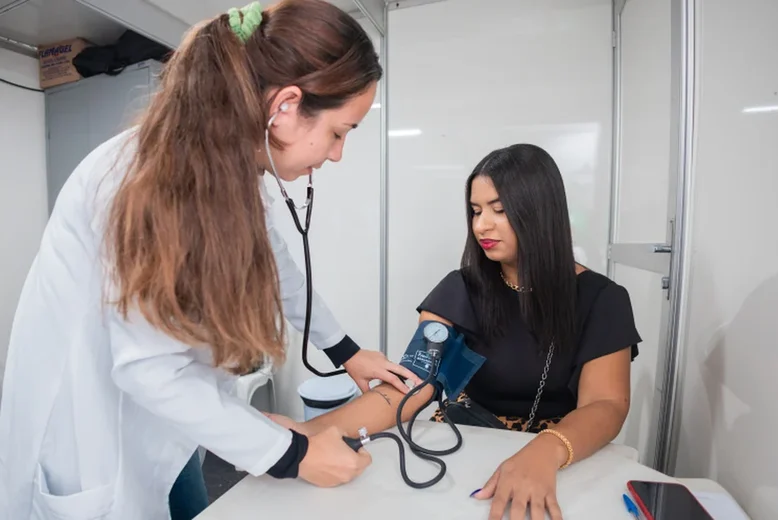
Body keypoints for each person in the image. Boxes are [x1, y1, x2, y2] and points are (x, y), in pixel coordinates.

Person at [0, 1, 421, 519]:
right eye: (339, 132)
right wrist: (294, 455)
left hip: (166, 427)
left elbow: (276, 265)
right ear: (286, 105)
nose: (336, 155)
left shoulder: (227, 165)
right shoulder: (149, 179)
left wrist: (346, 350)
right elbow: (150, 372)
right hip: (94, 439)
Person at [280, 144, 642, 520]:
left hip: (564, 449)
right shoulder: (460, 290)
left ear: (541, 212)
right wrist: (311, 432)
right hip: (469, 440)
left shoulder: (602, 299)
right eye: (476, 210)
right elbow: (411, 384)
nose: (481, 224)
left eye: (499, 210)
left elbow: (606, 405)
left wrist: (545, 450)